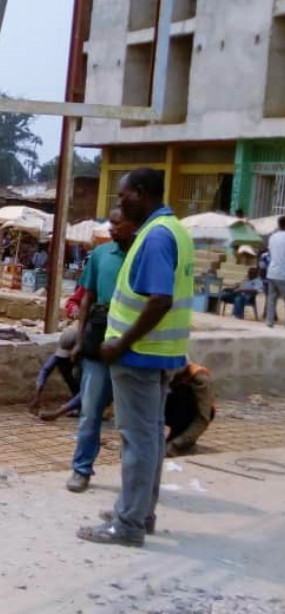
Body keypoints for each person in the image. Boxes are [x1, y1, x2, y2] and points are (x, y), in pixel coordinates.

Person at [78, 168, 193, 547]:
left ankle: (128, 525)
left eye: (123, 195)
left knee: (138, 440)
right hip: (161, 353)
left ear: (141, 194)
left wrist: (122, 342)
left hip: (140, 356)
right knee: (150, 439)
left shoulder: (156, 237)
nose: (119, 203)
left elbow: (160, 298)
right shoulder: (173, 230)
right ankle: (140, 512)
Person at [63, 209, 137, 492]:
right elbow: (86, 299)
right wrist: (81, 340)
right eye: (111, 223)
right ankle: (81, 469)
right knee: (90, 411)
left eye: (118, 223)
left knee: (129, 418)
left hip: (131, 338)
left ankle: (132, 479)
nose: (112, 228)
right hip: (99, 330)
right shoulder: (100, 255)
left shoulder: (142, 256)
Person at [28, 326, 81, 417]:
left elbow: (87, 390)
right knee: (64, 366)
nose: (65, 357)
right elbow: (45, 370)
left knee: (78, 375)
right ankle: (79, 406)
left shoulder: (90, 359)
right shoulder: (60, 357)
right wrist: (37, 395)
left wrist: (61, 411)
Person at [165, 361, 214, 457]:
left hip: (189, 411)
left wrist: (175, 444)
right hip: (166, 408)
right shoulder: (158, 373)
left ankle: (183, 441)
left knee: (184, 395)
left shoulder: (200, 378)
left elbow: (203, 417)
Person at [266, 216, 285, 328]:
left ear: (278, 225)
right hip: (283, 273)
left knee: (271, 299)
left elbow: (271, 251)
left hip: (272, 272)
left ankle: (269, 322)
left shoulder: (272, 237)